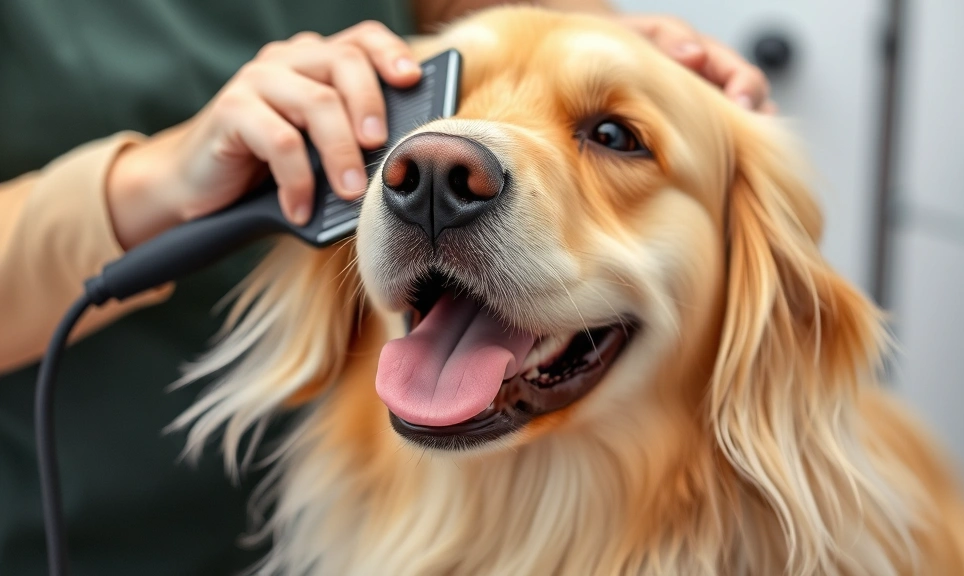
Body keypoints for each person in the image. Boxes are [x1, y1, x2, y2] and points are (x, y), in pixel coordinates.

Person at [0, 0, 771, 573]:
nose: (437, 164)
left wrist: (591, 32)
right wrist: (158, 181)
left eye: (614, 138)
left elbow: (500, 25)